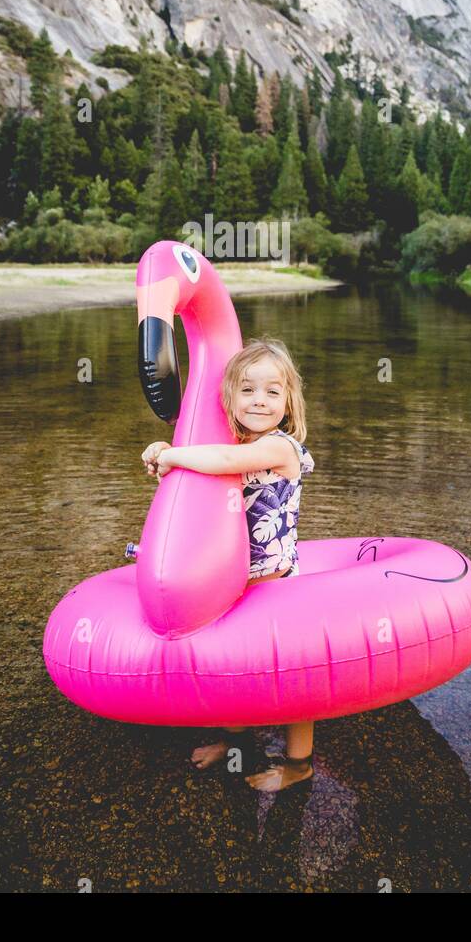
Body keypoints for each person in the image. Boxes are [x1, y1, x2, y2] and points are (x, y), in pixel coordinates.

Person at [141, 335, 315, 792]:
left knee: (291, 676)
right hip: (232, 581)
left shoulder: (280, 448)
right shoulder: (229, 439)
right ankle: (233, 742)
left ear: (289, 402)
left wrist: (173, 455)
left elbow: (225, 461)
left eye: (272, 391)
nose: (259, 400)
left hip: (275, 583)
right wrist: (166, 450)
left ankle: (299, 764)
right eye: (248, 390)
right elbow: (206, 476)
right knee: (230, 670)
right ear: (229, 398)